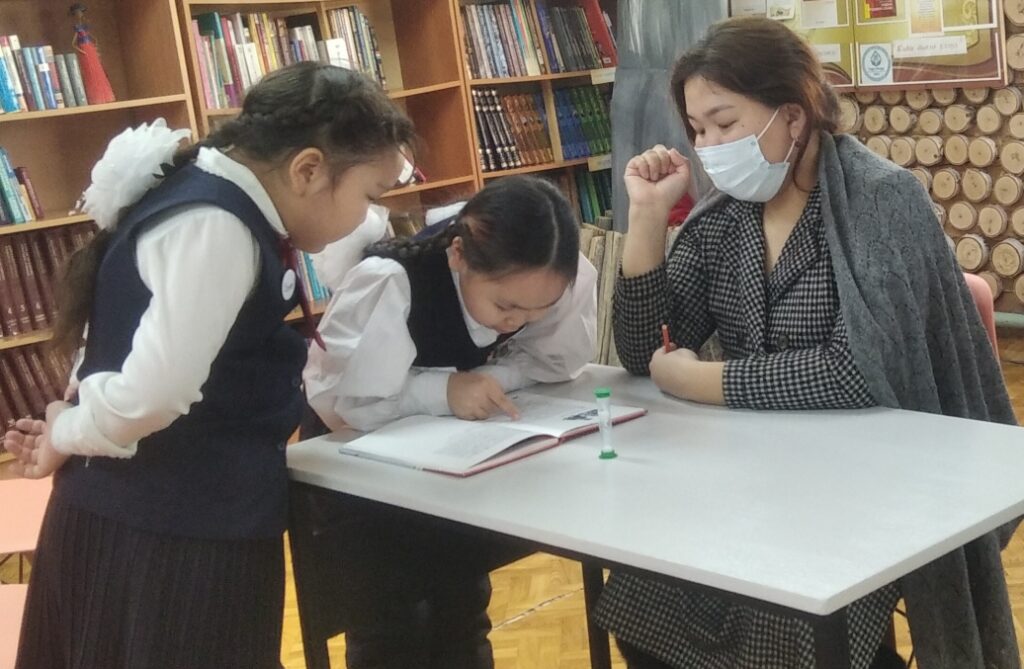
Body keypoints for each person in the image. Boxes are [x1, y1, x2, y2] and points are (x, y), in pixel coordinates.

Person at [594, 16, 1018, 669]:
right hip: (756, 469)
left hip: (870, 477)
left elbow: (863, 370)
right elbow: (640, 350)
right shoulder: (724, 214)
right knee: (643, 599)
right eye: (697, 129)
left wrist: (703, 380)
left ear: (792, 115)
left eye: (725, 123)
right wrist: (648, 217)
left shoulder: (881, 201)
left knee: (789, 626)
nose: (708, 147)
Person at [4, 62, 415, 669]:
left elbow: (111, 337)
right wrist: (66, 431)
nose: (368, 218)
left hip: (146, 518)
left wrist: (70, 425)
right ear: (307, 170)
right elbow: (154, 394)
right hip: (171, 537)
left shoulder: (208, 196)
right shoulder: (217, 226)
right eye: (368, 196)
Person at [297, 175, 597, 669]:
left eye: (536, 311)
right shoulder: (391, 281)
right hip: (358, 486)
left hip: (449, 475)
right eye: (506, 306)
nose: (516, 322)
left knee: (462, 610)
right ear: (459, 255)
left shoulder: (543, 278)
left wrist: (490, 376)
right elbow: (343, 401)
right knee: (390, 629)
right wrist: (444, 389)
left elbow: (554, 360)